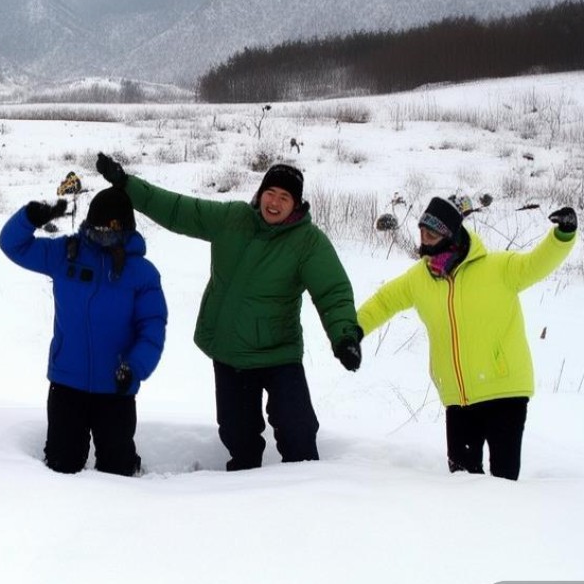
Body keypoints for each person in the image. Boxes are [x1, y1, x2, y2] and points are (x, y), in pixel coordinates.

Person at [95, 153, 362, 471]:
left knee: (298, 431)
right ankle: (238, 498)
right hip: (230, 353)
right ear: (260, 194)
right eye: (270, 193)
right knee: (239, 437)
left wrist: (344, 335)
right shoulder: (233, 218)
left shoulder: (308, 242)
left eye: (284, 197)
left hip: (280, 355)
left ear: (297, 204)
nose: (274, 203)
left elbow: (333, 292)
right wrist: (127, 185)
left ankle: (304, 494)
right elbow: (178, 209)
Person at [356, 199, 577, 481]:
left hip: (505, 393)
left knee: (504, 481)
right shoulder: (419, 278)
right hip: (458, 399)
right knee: (461, 481)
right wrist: (353, 331)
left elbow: (537, 263)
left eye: (432, 234)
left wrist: (562, 236)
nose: (425, 240)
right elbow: (383, 302)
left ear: (451, 234)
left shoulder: (499, 267)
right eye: (422, 232)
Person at [0, 188, 168, 475]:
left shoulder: (141, 273)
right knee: (61, 466)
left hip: (116, 387)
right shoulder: (66, 254)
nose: (102, 234)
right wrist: (30, 217)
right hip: (67, 383)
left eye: (112, 229)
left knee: (118, 470)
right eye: (97, 226)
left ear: (126, 230)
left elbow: (152, 327)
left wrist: (134, 367)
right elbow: (12, 245)